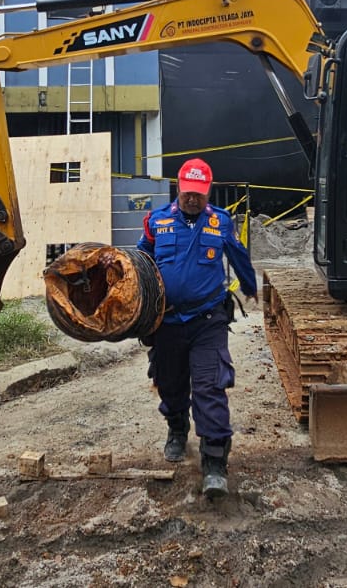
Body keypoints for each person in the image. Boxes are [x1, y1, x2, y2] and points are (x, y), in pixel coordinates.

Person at [137, 157, 256, 499]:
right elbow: (142, 259)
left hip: (208, 319)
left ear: (208, 191)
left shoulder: (220, 221)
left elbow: (238, 256)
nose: (193, 199)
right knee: (171, 383)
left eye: (199, 194)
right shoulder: (156, 221)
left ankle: (215, 462)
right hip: (168, 322)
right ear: (178, 188)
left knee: (210, 387)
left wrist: (250, 288)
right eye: (188, 193)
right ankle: (177, 429)